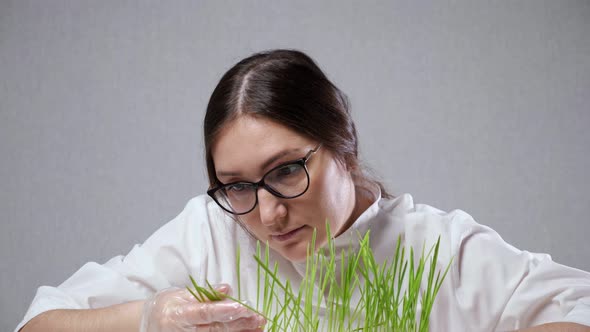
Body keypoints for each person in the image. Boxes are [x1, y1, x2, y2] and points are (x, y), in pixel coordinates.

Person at [17, 49, 590, 332]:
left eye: (287, 170)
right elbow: (38, 326)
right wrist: (150, 314)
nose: (267, 213)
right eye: (236, 185)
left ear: (343, 146)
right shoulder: (210, 230)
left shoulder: (435, 245)